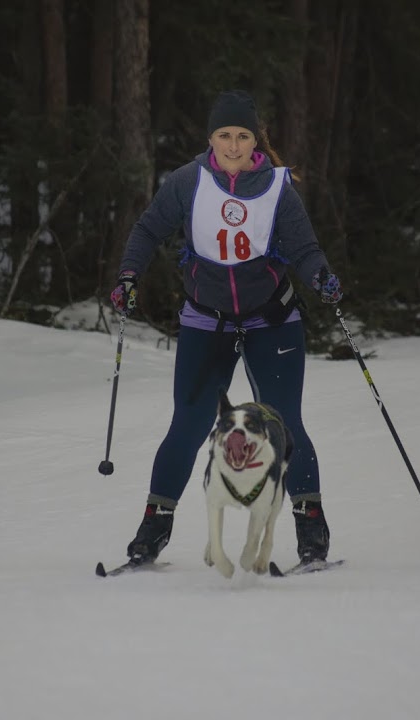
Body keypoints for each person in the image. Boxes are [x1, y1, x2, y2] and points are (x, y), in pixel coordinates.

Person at [108, 89, 343, 566]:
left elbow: (303, 247)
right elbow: (148, 229)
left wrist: (321, 277)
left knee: (284, 421)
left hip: (271, 318)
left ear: (255, 139)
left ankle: (311, 531)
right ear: (210, 137)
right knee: (189, 424)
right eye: (224, 135)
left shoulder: (277, 187)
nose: (233, 145)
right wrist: (129, 275)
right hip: (206, 321)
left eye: (242, 136)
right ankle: (153, 529)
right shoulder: (187, 181)